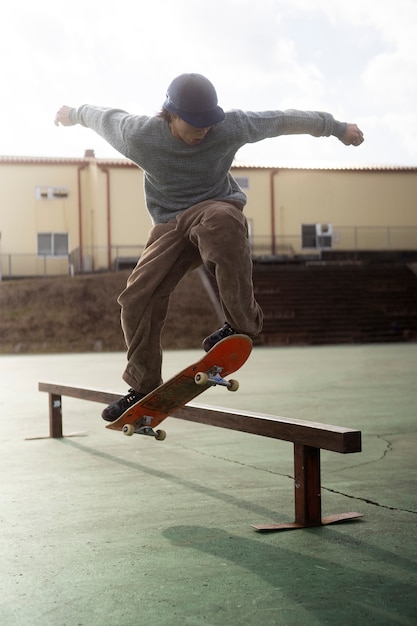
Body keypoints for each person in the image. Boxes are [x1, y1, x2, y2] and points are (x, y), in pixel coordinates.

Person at [54, 73, 364, 421]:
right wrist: (73, 113)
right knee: (137, 297)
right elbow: (102, 116)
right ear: (170, 114)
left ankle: (240, 324)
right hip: (169, 223)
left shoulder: (229, 127)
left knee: (222, 220)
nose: (202, 131)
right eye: (194, 123)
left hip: (214, 208)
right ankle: (142, 386)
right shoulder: (138, 135)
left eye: (208, 123)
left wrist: (336, 127)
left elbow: (281, 120)